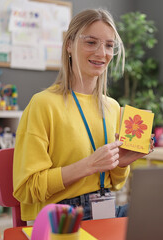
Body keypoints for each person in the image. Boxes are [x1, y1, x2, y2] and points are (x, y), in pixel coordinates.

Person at [13, 8, 154, 222]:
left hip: (106, 209)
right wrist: (88, 165)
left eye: (109, 45)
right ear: (69, 45)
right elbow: (27, 188)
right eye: (91, 42)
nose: (101, 53)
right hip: (60, 218)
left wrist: (121, 164)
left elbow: (115, 183)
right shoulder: (43, 104)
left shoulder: (113, 107)